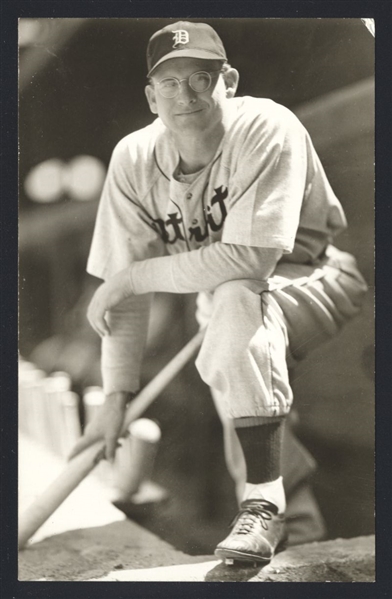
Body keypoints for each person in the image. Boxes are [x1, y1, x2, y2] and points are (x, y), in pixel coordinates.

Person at [69, 21, 367, 565]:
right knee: (238, 369)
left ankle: (263, 503)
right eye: (170, 83)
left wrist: (132, 277)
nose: (186, 95)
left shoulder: (265, 126)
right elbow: (124, 299)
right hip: (234, 302)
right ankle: (296, 536)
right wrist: (117, 397)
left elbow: (250, 260)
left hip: (316, 278)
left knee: (233, 302)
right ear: (150, 96)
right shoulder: (133, 161)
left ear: (227, 80)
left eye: (200, 79)